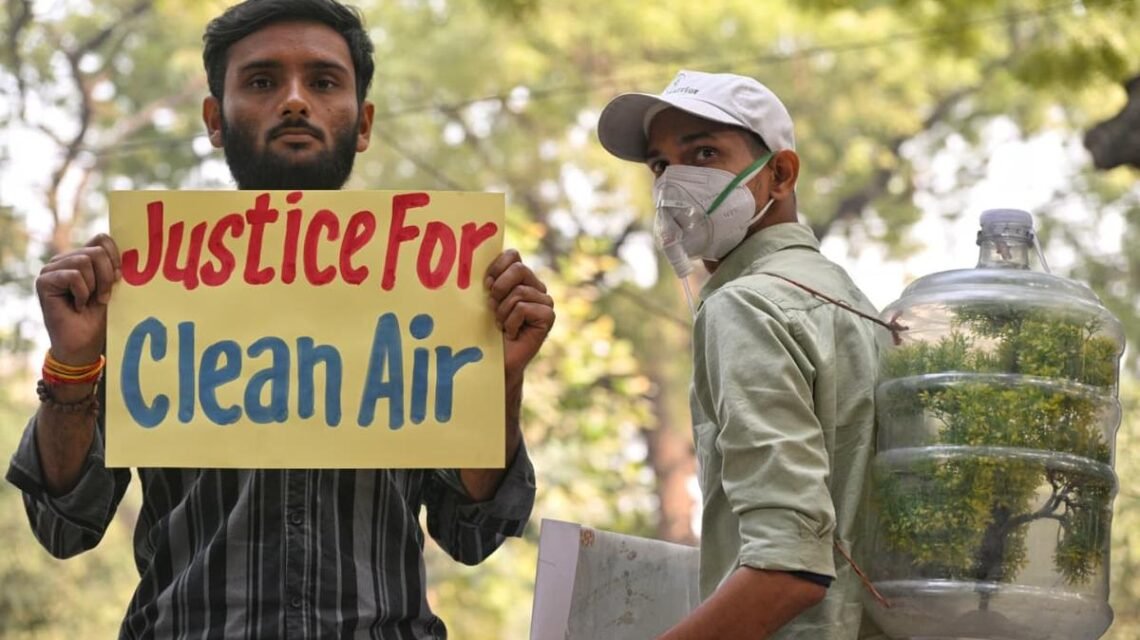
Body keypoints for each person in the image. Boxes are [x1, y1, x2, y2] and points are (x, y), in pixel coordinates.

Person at [5, 1, 555, 638]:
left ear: (363, 121)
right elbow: (62, 527)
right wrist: (73, 363)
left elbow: (473, 532)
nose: (295, 102)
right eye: (262, 82)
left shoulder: (438, 289)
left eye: (323, 82)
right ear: (215, 119)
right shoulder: (141, 284)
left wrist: (500, 380)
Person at [598, 70, 885, 639]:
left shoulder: (746, 305)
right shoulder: (855, 304)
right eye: (660, 165)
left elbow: (788, 568)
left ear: (779, 173)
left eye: (704, 153)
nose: (674, 183)